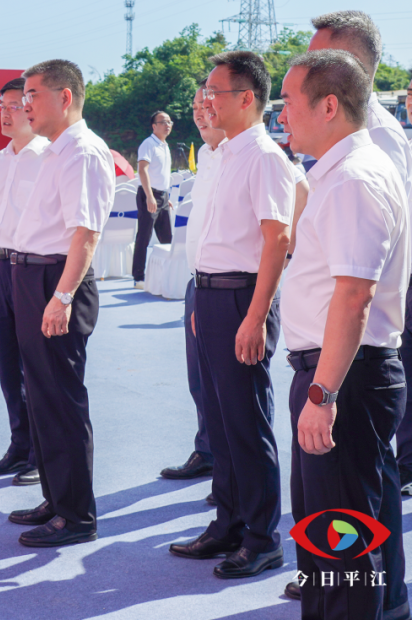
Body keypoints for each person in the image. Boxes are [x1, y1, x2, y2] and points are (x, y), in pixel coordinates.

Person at [279, 48, 409, 620]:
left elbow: (354, 298)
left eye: (287, 101)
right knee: (328, 542)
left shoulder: (354, 178)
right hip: (335, 374)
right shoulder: (337, 172)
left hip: (343, 380)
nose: (280, 113)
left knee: (343, 549)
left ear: (328, 105)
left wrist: (322, 394)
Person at [169, 51, 294, 579]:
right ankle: (228, 524)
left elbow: (279, 238)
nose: (206, 101)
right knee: (218, 421)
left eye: (215, 93)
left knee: (246, 422)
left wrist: (256, 316)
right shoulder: (223, 154)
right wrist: (201, 295)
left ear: (247, 99)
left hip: (244, 297)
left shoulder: (264, 156)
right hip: (210, 294)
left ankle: (263, 538)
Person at [6, 59, 115, 548]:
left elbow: (85, 232)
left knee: (61, 402)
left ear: (64, 97)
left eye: (32, 94)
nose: (24, 103)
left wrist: (62, 296)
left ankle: (77, 516)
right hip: (35, 278)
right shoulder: (56, 150)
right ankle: (57, 498)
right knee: (42, 399)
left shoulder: (84, 152)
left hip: (57, 281)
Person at [0, 78, 49, 486]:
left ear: (33, 106)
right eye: (1, 105)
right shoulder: (0, 159)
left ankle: (41, 452)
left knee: (35, 365)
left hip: (31, 268)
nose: (5, 113)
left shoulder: (46, 156)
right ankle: (19, 445)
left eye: (15, 105)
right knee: (7, 364)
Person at [159, 88, 224, 494]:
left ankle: (232, 481)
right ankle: (209, 451)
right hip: (198, 282)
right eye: (196, 108)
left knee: (231, 391)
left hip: (232, 287)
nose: (201, 114)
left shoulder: (252, 155)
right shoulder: (208, 154)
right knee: (200, 380)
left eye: (208, 106)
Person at [132, 111, 174, 288]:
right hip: (149, 195)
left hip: (162, 196)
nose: (167, 125)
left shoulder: (164, 145)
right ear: (154, 126)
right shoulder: (148, 144)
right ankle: (138, 277)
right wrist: (150, 196)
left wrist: (166, 197)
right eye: (163, 122)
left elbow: (162, 174)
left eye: (169, 121)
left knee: (167, 238)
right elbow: (143, 170)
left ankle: (166, 273)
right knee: (144, 236)